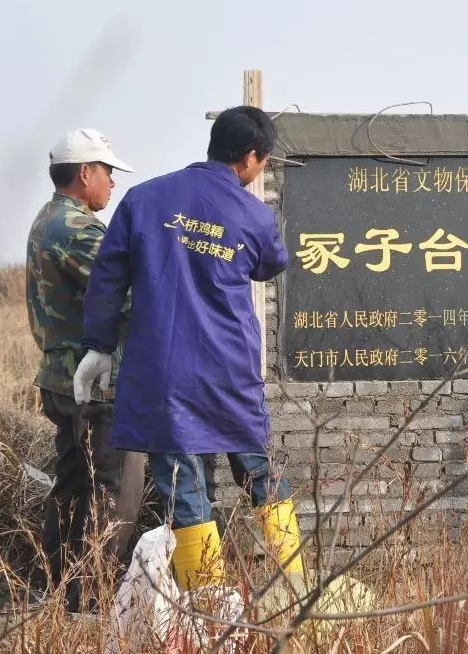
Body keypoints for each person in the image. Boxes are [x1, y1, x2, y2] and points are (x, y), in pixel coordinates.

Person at [75, 106, 296, 591]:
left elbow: (107, 279)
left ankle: (208, 602)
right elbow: (270, 263)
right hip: (229, 369)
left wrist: (98, 346)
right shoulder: (253, 214)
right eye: (264, 162)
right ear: (251, 157)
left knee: (183, 487)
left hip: (162, 369)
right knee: (261, 474)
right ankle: (295, 589)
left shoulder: (143, 199)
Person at [25, 128, 145, 612]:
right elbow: (131, 294)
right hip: (94, 384)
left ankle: (60, 591)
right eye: (108, 173)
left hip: (60, 377)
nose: (112, 185)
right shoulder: (78, 229)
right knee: (116, 489)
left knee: (73, 484)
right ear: (84, 173)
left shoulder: (48, 219)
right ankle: (94, 599)